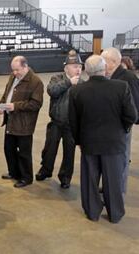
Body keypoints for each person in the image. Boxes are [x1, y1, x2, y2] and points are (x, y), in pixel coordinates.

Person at [69, 55, 137, 223]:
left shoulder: (77, 90)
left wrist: (78, 141)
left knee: (90, 180)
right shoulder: (121, 87)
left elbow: (73, 120)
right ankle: (115, 214)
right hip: (114, 143)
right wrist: (122, 130)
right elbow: (132, 115)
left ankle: (92, 212)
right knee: (113, 180)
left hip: (89, 142)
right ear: (104, 68)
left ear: (86, 70)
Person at [35, 50, 83, 189]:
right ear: (66, 67)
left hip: (72, 125)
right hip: (56, 121)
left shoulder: (83, 83)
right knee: (49, 149)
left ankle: (65, 177)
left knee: (69, 152)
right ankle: (46, 170)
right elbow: (52, 91)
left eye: (80, 66)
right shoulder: (57, 78)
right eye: (75, 66)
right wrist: (68, 82)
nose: (78, 69)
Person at [0, 56, 44, 188]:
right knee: (9, 149)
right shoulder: (13, 77)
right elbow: (7, 93)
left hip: (24, 124)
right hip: (11, 121)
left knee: (24, 152)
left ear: (25, 66)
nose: (14, 73)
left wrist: (15, 106)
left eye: (17, 70)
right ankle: (14, 172)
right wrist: (2, 105)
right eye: (13, 70)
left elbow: (36, 104)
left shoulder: (36, 82)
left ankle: (26, 177)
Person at [101, 47, 139, 194]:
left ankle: (118, 192)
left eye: (104, 61)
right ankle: (109, 187)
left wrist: (124, 126)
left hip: (121, 129)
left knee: (121, 162)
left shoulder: (128, 78)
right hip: (111, 128)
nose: (102, 64)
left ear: (114, 61)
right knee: (110, 162)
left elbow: (134, 108)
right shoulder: (112, 77)